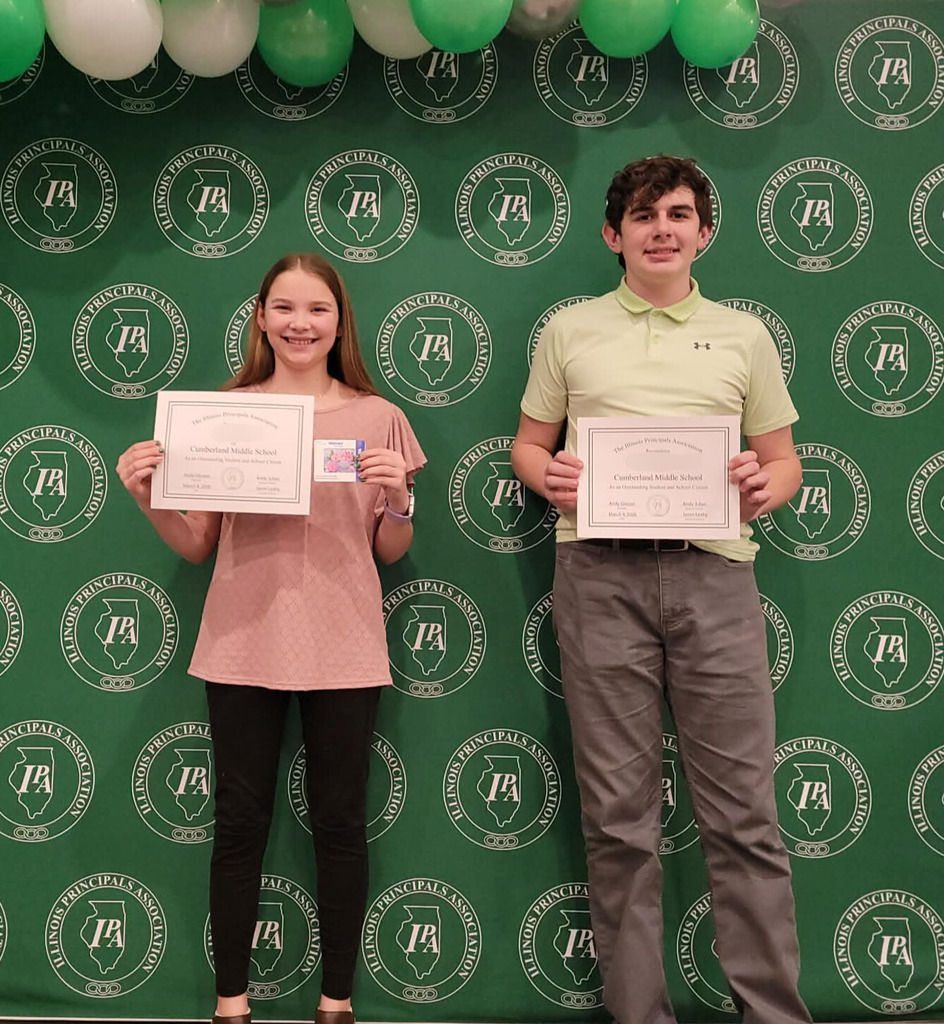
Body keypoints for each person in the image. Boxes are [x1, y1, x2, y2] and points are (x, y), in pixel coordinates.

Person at [510, 155, 811, 1024]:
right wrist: (546, 476)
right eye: (643, 217)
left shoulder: (744, 336)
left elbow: (784, 461)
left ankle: (774, 1016)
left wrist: (765, 488)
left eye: (678, 214)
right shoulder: (569, 330)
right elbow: (528, 445)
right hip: (598, 576)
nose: (662, 230)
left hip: (716, 574)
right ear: (614, 235)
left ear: (704, 232)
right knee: (618, 820)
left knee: (745, 817)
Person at [117, 252, 425, 1024]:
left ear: (339, 322)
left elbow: (389, 549)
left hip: (345, 643)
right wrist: (150, 498)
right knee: (238, 823)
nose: (300, 323)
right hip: (242, 639)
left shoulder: (379, 417)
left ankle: (336, 1003)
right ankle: (232, 1005)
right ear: (261, 317)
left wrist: (398, 498)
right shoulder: (223, 413)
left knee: (341, 823)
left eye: (317, 309)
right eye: (284, 307)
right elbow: (197, 544)